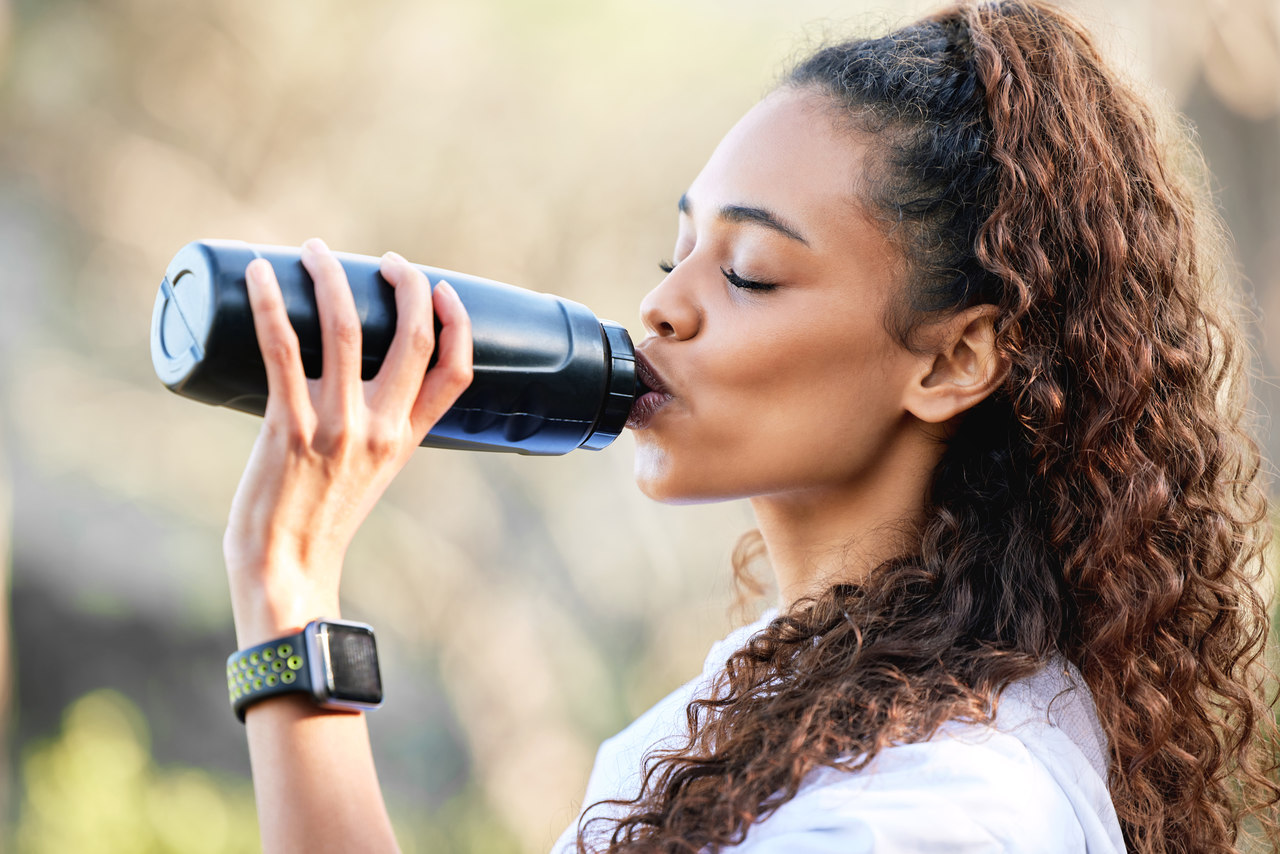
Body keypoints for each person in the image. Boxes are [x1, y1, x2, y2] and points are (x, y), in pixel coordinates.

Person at [220, 1, 1280, 851]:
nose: (663, 308)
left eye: (749, 271)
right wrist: (284, 590)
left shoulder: (934, 810)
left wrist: (293, 601)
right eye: (675, 252)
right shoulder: (754, 705)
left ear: (954, 357)